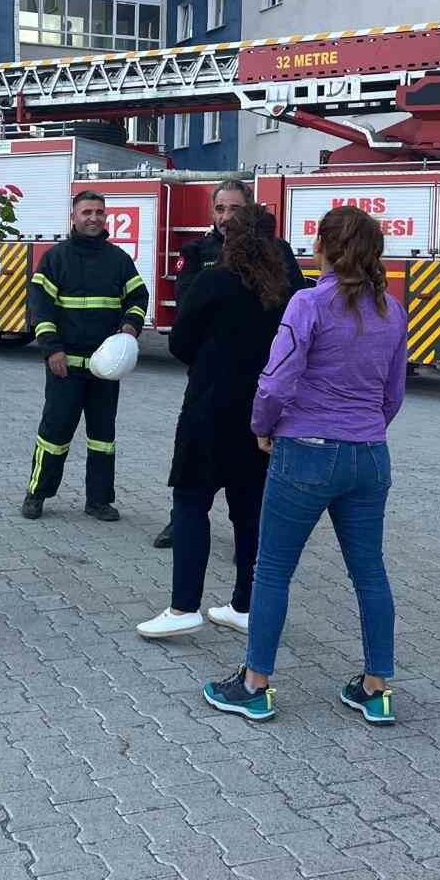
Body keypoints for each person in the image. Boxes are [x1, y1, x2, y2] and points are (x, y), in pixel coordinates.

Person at [202, 206, 409, 725]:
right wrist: (365, 427)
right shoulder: (392, 311)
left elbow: (276, 380)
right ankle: (377, 688)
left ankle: (255, 684)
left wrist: (262, 426)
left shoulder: (308, 303)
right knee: (370, 573)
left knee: (272, 568)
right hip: (369, 454)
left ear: (324, 248)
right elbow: (394, 393)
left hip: (307, 449)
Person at [136, 204, 291, 640]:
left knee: (190, 504)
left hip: (208, 409)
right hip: (263, 416)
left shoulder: (213, 281)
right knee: (249, 511)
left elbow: (180, 343)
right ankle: (245, 604)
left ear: (232, 238)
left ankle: (185, 606)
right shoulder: (285, 289)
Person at [153, 179, 307, 548]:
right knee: (198, 474)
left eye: (234, 209)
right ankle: (184, 523)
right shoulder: (197, 254)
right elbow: (185, 323)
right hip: (210, 385)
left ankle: (254, 542)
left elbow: (296, 312)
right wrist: (209, 362)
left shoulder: (280, 253)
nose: (225, 218)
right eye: (220, 209)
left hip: (264, 387)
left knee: (253, 476)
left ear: (250, 211)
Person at [21, 190, 149, 522]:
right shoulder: (55, 258)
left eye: (99, 212)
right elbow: (40, 305)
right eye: (87, 212)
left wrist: (130, 326)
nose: (94, 218)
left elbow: (138, 295)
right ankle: (37, 493)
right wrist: (51, 349)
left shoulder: (118, 259)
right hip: (65, 367)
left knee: (103, 437)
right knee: (54, 432)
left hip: (105, 370)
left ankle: (99, 500)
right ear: (73, 217)